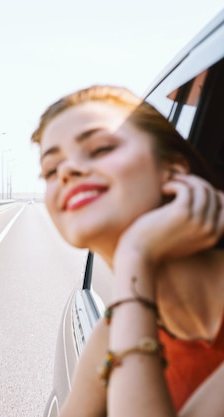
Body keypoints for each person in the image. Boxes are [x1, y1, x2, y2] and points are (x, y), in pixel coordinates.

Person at [31, 85, 224, 416]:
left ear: (174, 170)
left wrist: (134, 256)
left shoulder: (114, 333)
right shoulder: (108, 338)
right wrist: (137, 256)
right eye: (51, 170)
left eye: (101, 148)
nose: (67, 171)